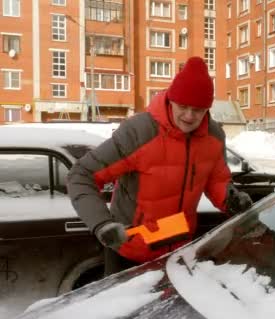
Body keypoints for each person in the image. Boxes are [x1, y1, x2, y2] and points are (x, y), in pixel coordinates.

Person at [67, 56, 253, 276]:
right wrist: (102, 224)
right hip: (130, 254)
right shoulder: (139, 133)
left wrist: (230, 199)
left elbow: (215, 179)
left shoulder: (213, 136)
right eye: (183, 106)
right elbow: (81, 175)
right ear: (171, 100)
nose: (189, 116)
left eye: (198, 109)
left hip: (179, 251)